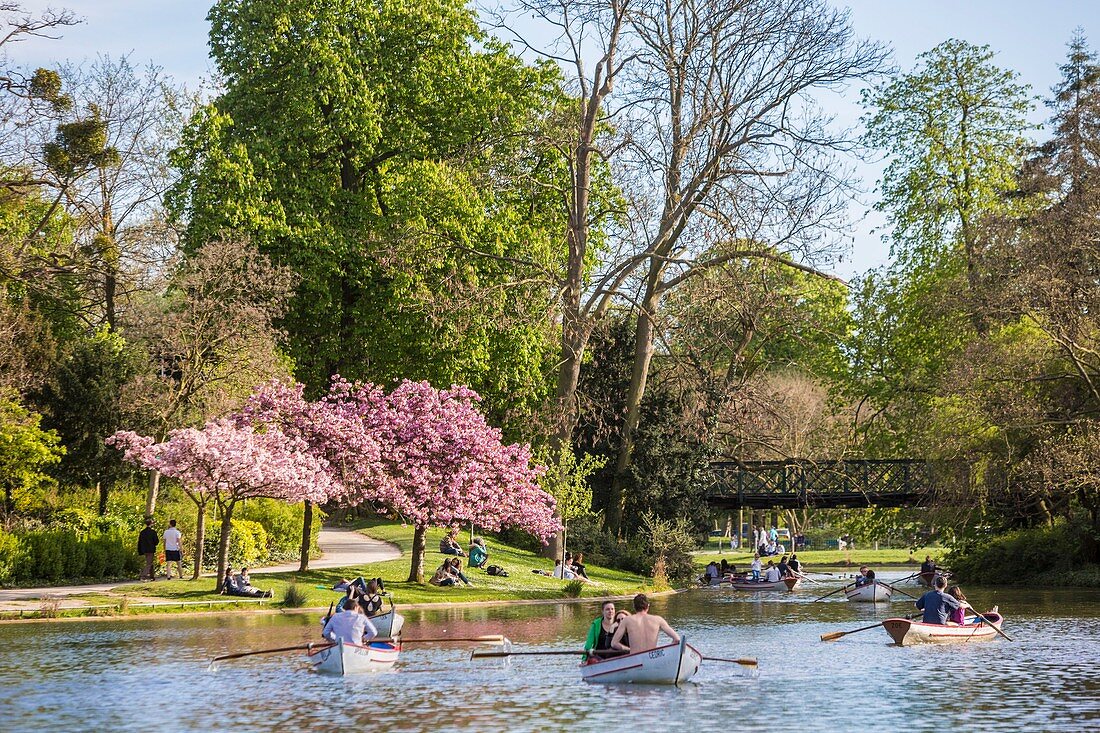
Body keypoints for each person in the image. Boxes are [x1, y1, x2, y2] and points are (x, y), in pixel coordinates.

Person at [610, 594, 678, 652]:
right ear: (648, 606)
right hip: (652, 658)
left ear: (634, 607)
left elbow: (614, 643)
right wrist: (665, 652)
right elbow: (677, 639)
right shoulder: (658, 619)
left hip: (635, 658)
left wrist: (629, 649)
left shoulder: (627, 620)